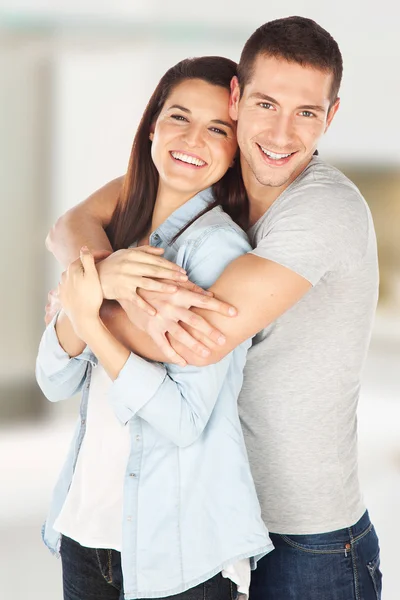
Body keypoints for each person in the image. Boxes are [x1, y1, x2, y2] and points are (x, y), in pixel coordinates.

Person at [46, 16, 382, 600]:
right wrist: (103, 274)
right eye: (266, 104)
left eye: (306, 113)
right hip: (210, 516)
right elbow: (69, 225)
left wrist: (90, 294)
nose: (281, 132)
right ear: (238, 97)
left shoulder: (321, 210)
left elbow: (195, 337)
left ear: (329, 117)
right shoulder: (202, 185)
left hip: (306, 535)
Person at [36, 56, 274, 600]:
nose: (194, 138)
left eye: (218, 129)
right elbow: (53, 380)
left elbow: (184, 418)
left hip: (179, 551)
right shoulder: (113, 236)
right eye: (179, 117)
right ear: (152, 127)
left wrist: (90, 311)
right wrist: (98, 283)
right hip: (87, 533)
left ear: (236, 149)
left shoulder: (218, 250)